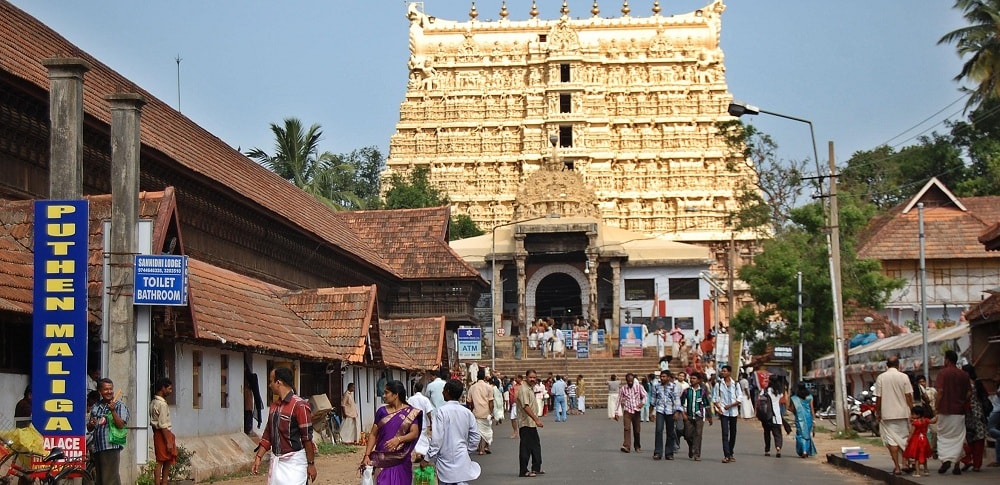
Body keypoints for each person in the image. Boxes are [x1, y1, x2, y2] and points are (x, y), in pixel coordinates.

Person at [252, 368, 317, 484]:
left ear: (278, 383)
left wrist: (311, 464)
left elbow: (307, 438)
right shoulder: (274, 407)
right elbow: (268, 433)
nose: (269, 385)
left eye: (271, 381)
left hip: (295, 465)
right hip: (278, 463)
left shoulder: (300, 406)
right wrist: (259, 457)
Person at [361, 380, 422, 484]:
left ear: (395, 395)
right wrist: (367, 455)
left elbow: (414, 433)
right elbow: (373, 434)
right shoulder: (382, 411)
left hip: (401, 460)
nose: (384, 395)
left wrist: (399, 440)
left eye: (386, 392)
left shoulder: (410, 413)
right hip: (383, 460)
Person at [427, 379, 481, 485]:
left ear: (447, 392)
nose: (442, 393)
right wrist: (467, 450)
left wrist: (427, 457)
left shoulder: (441, 412)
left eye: (443, 390)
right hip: (461, 457)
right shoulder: (467, 413)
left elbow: (437, 439)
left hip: (444, 459)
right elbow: (475, 436)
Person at [873, 354, 914, 476]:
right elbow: (908, 396)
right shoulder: (904, 377)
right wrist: (912, 411)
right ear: (898, 365)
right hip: (903, 413)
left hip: (887, 414)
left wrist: (878, 411)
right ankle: (906, 463)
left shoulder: (881, 378)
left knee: (892, 442)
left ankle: (897, 467)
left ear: (887, 365)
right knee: (904, 439)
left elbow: (878, 397)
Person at [934, 350, 970, 475]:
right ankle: (956, 465)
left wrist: (936, 406)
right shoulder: (964, 375)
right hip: (959, 411)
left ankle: (945, 460)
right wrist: (961, 401)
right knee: (958, 438)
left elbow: (940, 392)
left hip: (945, 410)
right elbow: (969, 393)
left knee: (943, 437)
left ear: (947, 360)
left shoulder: (942, 373)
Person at [87, 378, 129, 485]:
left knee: (110, 480)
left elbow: (121, 425)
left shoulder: (119, 406)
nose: (109, 392)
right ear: (100, 391)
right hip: (98, 448)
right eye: (106, 389)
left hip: (110, 447)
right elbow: (90, 428)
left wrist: (113, 411)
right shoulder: (96, 407)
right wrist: (91, 424)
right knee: (100, 480)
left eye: (111, 389)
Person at [959, 364, 989, 472]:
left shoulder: (965, 385)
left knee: (968, 440)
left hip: (969, 414)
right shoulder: (978, 383)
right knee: (978, 441)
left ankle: (969, 460)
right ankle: (976, 464)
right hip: (978, 414)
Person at [516, 369, 545, 478]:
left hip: (531, 423)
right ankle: (523, 471)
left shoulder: (529, 388)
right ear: (526, 377)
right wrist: (536, 419)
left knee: (535, 446)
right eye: (530, 377)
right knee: (526, 447)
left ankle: (536, 467)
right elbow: (525, 406)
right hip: (526, 423)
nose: (533, 379)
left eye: (534, 377)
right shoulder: (524, 389)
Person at [712, 364, 743, 463]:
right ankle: (726, 455)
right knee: (725, 433)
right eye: (722, 371)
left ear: (729, 372)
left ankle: (731, 452)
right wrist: (718, 406)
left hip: (733, 412)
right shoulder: (719, 384)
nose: (723, 372)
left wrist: (730, 405)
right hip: (724, 412)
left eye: (725, 371)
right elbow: (715, 398)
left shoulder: (736, 384)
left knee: (733, 433)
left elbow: (739, 398)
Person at [149, 378, 176, 485]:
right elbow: (163, 424)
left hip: (157, 432)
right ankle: (162, 482)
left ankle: (160, 482)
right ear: (162, 388)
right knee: (163, 460)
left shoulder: (153, 402)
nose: (170, 391)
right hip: (163, 433)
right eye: (169, 389)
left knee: (162, 460)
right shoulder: (162, 404)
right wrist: (168, 441)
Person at [680, 372, 712, 461]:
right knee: (687, 435)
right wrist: (683, 414)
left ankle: (696, 454)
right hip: (689, 416)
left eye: (694, 378)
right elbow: (680, 403)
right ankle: (691, 446)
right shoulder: (686, 391)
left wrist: (709, 417)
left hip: (699, 416)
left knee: (698, 435)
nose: (692, 380)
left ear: (698, 380)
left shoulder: (702, 392)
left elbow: (706, 404)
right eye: (691, 378)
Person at [650, 370, 681, 460]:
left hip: (670, 411)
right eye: (661, 377)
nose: (662, 378)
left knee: (670, 432)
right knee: (659, 430)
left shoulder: (674, 387)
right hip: (660, 410)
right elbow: (653, 400)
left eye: (664, 377)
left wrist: (677, 412)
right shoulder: (656, 387)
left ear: (668, 377)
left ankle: (669, 453)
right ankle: (658, 452)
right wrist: (650, 413)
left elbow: (677, 400)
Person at [614, 373, 647, 453]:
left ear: (633, 380)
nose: (630, 383)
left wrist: (642, 403)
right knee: (627, 428)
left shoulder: (639, 387)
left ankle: (637, 446)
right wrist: (616, 412)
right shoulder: (623, 389)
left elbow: (645, 396)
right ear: (626, 381)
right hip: (627, 411)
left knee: (637, 430)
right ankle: (626, 446)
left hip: (636, 411)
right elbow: (619, 399)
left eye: (631, 381)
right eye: (628, 381)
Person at [904, 405, 936, 477]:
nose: (911, 415)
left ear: (918, 414)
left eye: (913, 414)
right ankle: (926, 470)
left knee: (917, 457)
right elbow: (933, 421)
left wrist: (908, 440)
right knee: (924, 455)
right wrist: (937, 416)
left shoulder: (915, 423)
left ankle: (917, 472)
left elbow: (912, 433)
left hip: (916, 440)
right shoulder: (926, 420)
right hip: (924, 439)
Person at [468, 369, 494, 455]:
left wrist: (470, 410)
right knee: (487, 430)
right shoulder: (488, 387)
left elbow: (469, 401)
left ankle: (480, 449)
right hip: (486, 412)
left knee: (478, 431)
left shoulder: (472, 387)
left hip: (476, 412)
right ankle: (486, 446)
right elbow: (491, 401)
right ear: (484, 377)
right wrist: (491, 412)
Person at [406, 381, 434, 462]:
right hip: (423, 423)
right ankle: (422, 454)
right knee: (422, 438)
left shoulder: (410, 399)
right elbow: (429, 412)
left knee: (415, 439)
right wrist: (431, 422)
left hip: (412, 423)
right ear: (422, 389)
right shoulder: (425, 400)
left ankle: (418, 453)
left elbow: (407, 411)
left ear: (414, 389)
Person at [789, 383, 817, 458]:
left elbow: (792, 409)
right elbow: (812, 408)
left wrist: (796, 413)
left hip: (799, 418)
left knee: (800, 435)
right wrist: (814, 419)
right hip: (808, 418)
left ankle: (803, 450)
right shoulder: (810, 397)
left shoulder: (795, 398)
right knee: (807, 434)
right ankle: (806, 450)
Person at [760, 377, 784, 457]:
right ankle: (778, 448)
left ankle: (767, 450)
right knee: (777, 434)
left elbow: (760, 399)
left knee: (767, 433)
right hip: (776, 416)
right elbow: (783, 399)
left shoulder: (765, 391)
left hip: (766, 416)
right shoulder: (779, 392)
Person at [509, 374, 521, 439]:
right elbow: (511, 394)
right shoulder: (514, 386)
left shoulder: (523, 386)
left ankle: (522, 432)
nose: (515, 380)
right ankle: (515, 431)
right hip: (514, 404)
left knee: (522, 419)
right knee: (513, 418)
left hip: (522, 404)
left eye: (516, 378)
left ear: (519, 378)